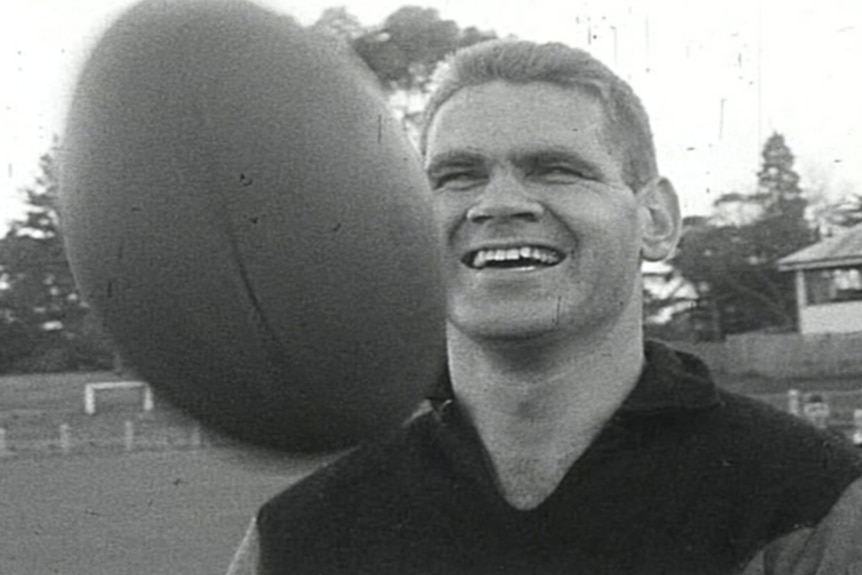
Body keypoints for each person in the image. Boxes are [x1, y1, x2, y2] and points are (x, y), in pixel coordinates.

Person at [227, 40, 862, 574]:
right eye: (455, 176)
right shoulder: (299, 539)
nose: (498, 203)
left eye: (556, 169)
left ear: (657, 219)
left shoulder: (812, 507)